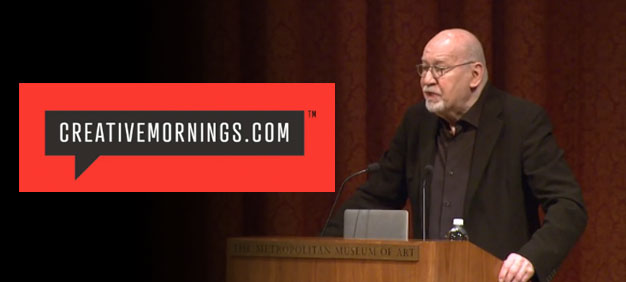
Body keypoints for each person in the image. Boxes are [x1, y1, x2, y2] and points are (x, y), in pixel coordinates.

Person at [323, 29, 587, 282]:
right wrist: (321, 247)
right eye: (423, 69)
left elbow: (568, 205)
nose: (427, 79)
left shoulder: (521, 122)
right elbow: (377, 196)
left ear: (475, 74)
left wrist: (531, 258)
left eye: (440, 69)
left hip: (495, 278)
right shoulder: (417, 123)